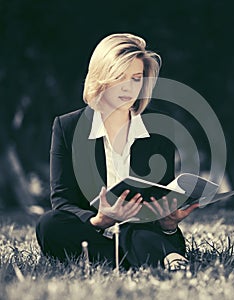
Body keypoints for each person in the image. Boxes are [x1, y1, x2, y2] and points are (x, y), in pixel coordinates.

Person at [36, 33, 199, 270]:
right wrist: (100, 220)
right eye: (118, 77)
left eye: (135, 78)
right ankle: (153, 258)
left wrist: (168, 225)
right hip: (92, 231)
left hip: (140, 231)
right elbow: (62, 200)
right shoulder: (67, 127)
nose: (128, 88)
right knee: (48, 225)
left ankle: (142, 256)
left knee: (135, 228)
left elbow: (158, 199)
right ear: (101, 78)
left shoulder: (159, 135)